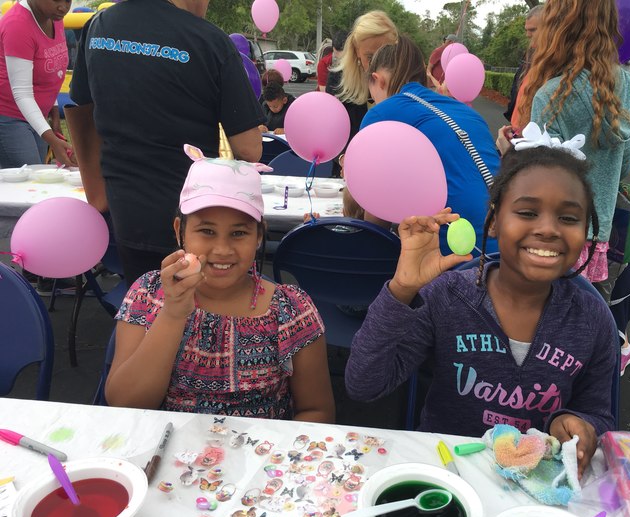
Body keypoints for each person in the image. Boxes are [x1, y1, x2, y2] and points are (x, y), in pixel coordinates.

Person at [346, 144, 617, 478]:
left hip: (537, 484)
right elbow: (363, 384)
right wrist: (402, 290)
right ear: (493, 221)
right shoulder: (446, 298)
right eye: (528, 212)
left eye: (568, 218)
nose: (548, 228)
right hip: (446, 472)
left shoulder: (592, 319)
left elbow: (600, 418)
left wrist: (580, 426)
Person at [105, 145, 335, 422]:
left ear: (259, 236)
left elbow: (317, 410)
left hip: (261, 457)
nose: (223, 249)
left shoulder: (291, 310)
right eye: (207, 231)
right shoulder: (148, 294)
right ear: (180, 231)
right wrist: (174, 312)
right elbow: (124, 404)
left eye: (239, 233)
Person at [70, 0, 264, 286]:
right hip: (194, 217)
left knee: (143, 306)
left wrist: (97, 194)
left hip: (126, 209)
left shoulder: (98, 26)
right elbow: (249, 148)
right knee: (193, 314)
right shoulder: (210, 40)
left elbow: (81, 110)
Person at [498, 0, 630, 373]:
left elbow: (539, 178)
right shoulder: (624, 83)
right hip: (597, 230)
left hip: (552, 234)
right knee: (586, 324)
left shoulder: (552, 95)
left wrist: (511, 149)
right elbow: (623, 164)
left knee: (541, 324)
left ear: (557, 28)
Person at [361, 36, 500, 254]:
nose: (375, 102)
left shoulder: (381, 114)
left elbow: (375, 222)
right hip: (507, 247)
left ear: (379, 80)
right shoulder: (467, 112)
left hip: (456, 257)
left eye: (372, 98)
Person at [0, 0, 77, 168]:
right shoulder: (17, 26)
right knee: (28, 179)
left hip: (37, 115)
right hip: (9, 116)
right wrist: (52, 140)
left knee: (38, 176)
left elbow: (51, 72)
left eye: (68, 0)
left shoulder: (54, 17)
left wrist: (54, 115)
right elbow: (22, 93)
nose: (63, 7)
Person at [333, 10, 398, 140]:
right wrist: (342, 156)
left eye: (385, 55)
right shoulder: (337, 81)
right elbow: (333, 130)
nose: (377, 64)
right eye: (370, 57)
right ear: (357, 51)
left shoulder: (404, 79)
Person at [503, 5, 542, 123]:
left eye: (533, 30)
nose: (528, 35)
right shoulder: (528, 55)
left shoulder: (556, 62)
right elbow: (516, 88)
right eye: (526, 30)